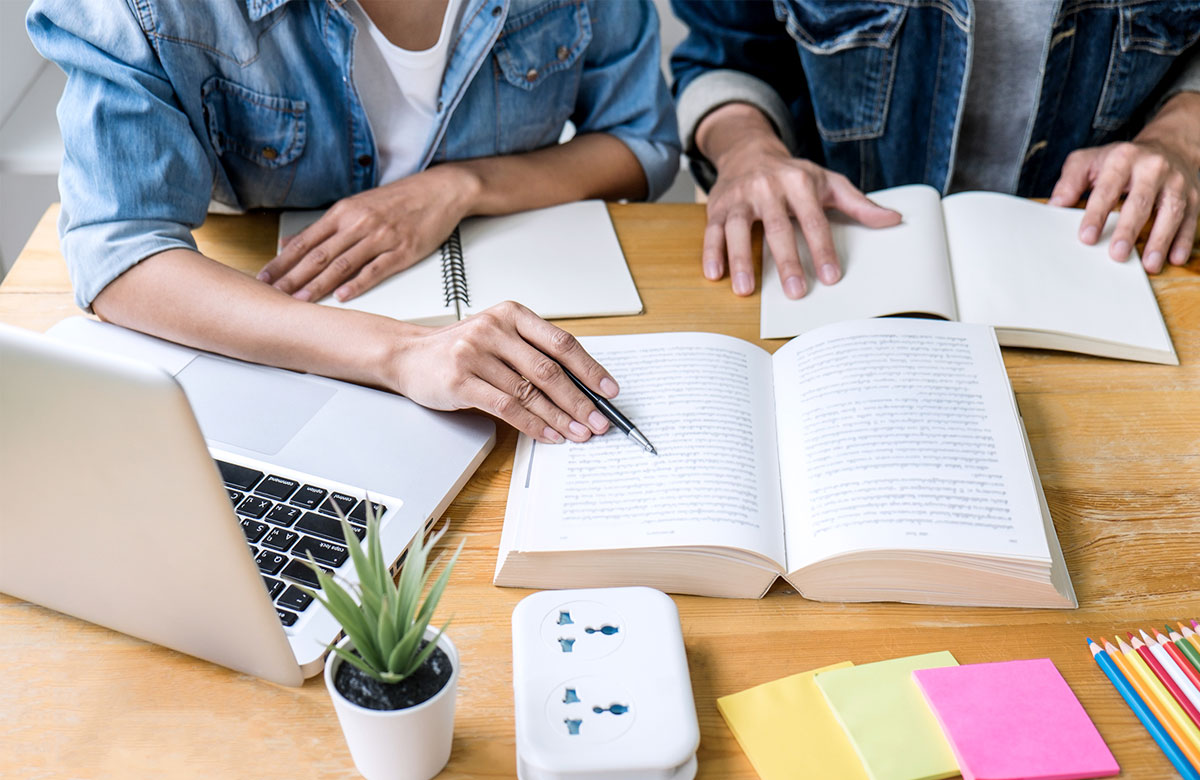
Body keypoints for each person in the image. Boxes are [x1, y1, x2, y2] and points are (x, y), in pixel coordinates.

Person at [26, 0, 680, 445]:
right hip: (284, 351)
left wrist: (460, 187)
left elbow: (641, 141)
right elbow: (120, 248)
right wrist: (402, 353)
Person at [669, 0, 1200, 299]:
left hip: (1109, 257)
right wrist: (747, 149)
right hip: (829, 257)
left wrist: (1180, 135)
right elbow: (725, 54)